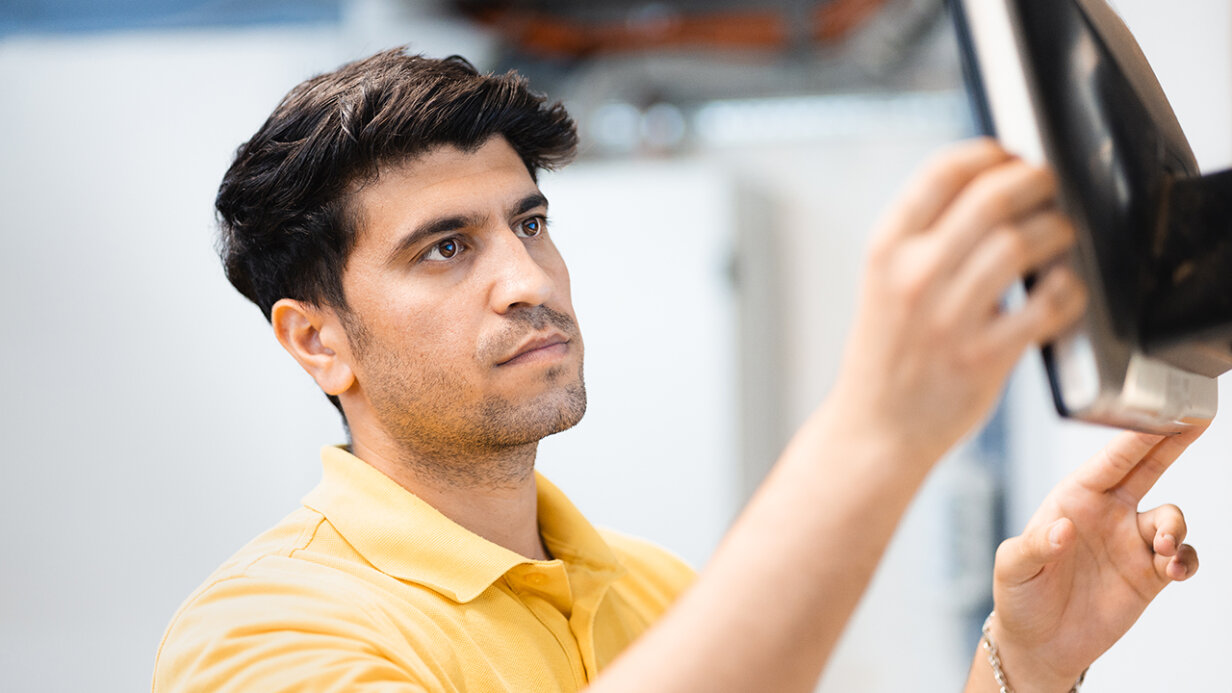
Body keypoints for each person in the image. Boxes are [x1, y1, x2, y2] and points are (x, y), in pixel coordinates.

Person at [152, 48, 1203, 693]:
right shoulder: (264, 639)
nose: (526, 279)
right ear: (315, 340)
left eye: (529, 223)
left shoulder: (656, 593)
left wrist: (1027, 665)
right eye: (445, 247)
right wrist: (873, 433)